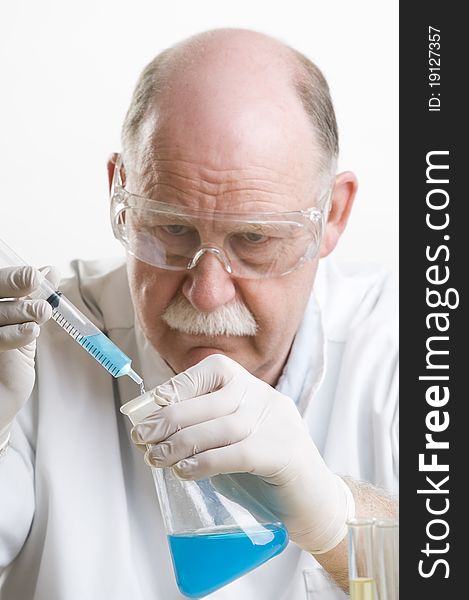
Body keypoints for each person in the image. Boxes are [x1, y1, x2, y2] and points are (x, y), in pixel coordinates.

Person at [0, 28, 398, 599]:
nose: (207, 293)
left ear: (332, 214)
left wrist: (336, 519)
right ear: (120, 188)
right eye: (172, 229)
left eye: (255, 239)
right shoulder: (26, 351)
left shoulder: (404, 350)